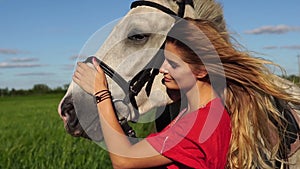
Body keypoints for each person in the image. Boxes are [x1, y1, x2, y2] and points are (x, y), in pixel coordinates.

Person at [73, 18, 300, 168]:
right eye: (164, 61)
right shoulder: (212, 111)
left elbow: (124, 160)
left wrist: (100, 92)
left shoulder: (196, 125)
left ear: (201, 70)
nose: (162, 69)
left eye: (174, 65)